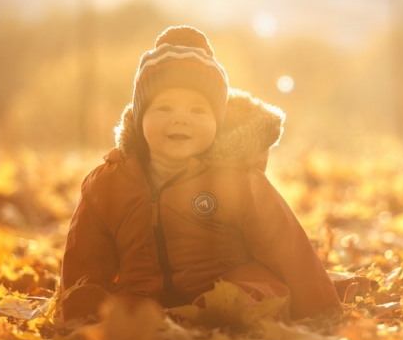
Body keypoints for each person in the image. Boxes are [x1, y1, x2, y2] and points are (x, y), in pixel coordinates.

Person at [60, 26, 341, 322]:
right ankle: (162, 324)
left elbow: (285, 243)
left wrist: (320, 308)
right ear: (140, 118)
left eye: (198, 111)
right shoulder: (108, 184)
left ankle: (215, 318)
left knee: (257, 291)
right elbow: (84, 260)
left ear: (216, 124)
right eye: (164, 108)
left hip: (224, 284)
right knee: (112, 309)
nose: (180, 119)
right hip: (145, 294)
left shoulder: (235, 180)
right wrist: (78, 309)